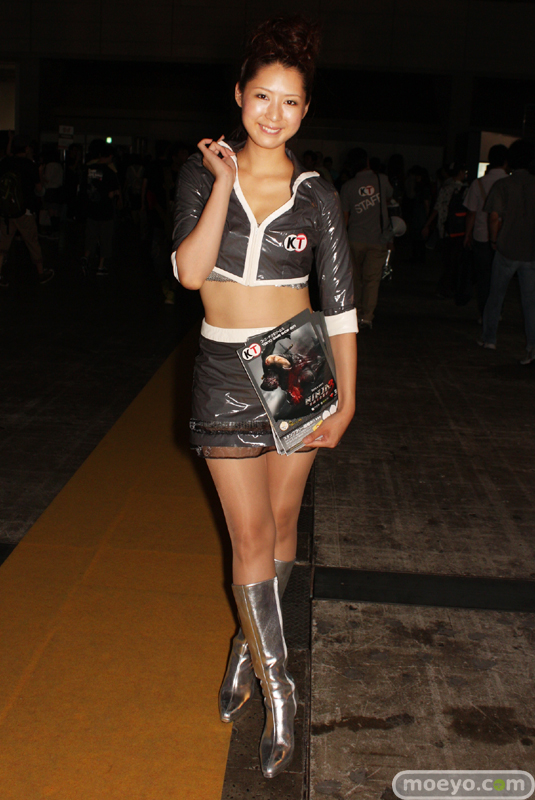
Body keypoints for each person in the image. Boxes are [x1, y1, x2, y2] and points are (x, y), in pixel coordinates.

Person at [172, 16, 357, 779]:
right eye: (261, 96)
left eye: (288, 102)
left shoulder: (318, 195)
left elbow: (339, 307)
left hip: (298, 365)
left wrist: (346, 402)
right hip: (222, 370)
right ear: (239, 95)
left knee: (281, 524)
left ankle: (248, 650)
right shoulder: (201, 174)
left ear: (304, 111)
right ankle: (280, 688)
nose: (272, 113)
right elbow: (190, 273)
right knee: (247, 535)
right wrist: (223, 182)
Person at [478, 138, 535, 364]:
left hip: (506, 248)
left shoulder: (503, 185)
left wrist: (494, 240)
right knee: (530, 303)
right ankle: (532, 347)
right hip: (531, 251)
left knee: (496, 295)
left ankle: (489, 338)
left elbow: (494, 217)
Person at [340, 147, 393, 329]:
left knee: (355, 279)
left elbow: (345, 217)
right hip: (378, 238)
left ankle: (356, 312)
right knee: (372, 280)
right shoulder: (381, 180)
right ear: (367, 162)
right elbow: (390, 198)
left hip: (355, 238)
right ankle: (367, 317)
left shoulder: (347, 186)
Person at [0, 135, 54, 288]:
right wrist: (40, 174)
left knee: (2, 244)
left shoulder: (4, 162)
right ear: (27, 149)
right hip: (25, 211)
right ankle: (41, 273)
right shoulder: (30, 165)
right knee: (32, 242)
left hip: (6, 211)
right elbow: (39, 190)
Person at [463, 145, 508, 320]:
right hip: (504, 237)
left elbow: (471, 212)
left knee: (483, 278)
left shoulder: (478, 183)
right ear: (506, 161)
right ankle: (498, 311)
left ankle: (484, 312)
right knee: (501, 278)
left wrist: (467, 234)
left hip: (481, 235)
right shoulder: (510, 183)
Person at [79, 140, 120, 276]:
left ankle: (86, 257)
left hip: (91, 208)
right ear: (110, 156)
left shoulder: (88, 169)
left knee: (90, 235)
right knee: (105, 238)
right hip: (105, 210)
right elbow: (111, 193)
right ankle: (100, 266)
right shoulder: (110, 172)